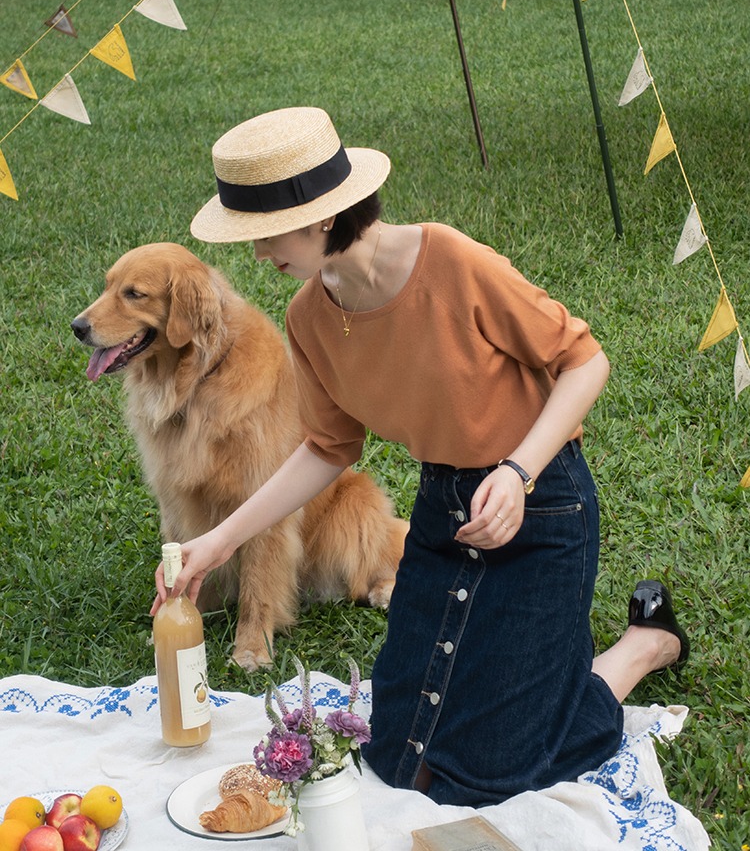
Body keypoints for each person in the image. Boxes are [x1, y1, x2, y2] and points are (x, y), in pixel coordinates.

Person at [151, 106, 689, 807]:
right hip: (445, 511)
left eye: (266, 234)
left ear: (320, 215)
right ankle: (540, 672)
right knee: (401, 754)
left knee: (492, 770)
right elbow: (328, 446)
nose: (257, 256)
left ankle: (644, 646)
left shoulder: (453, 261)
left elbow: (584, 362)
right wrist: (217, 542)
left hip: (543, 504)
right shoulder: (309, 317)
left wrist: (518, 472)